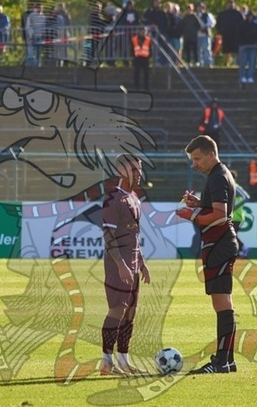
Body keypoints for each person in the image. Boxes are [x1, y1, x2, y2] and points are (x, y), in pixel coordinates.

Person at [176, 135, 238, 374]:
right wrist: (199, 204)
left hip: (219, 243)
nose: (195, 164)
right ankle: (227, 360)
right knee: (222, 302)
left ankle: (222, 361)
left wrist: (191, 215)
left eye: (198, 158)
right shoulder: (220, 174)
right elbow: (216, 208)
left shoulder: (217, 177)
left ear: (211, 154)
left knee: (222, 303)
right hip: (219, 243)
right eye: (193, 160)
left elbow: (220, 216)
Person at [100, 154, 151, 376]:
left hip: (132, 261)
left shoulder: (134, 198)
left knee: (130, 312)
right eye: (134, 169)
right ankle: (106, 362)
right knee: (117, 309)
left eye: (139, 169)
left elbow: (134, 235)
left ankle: (123, 361)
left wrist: (142, 262)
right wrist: (121, 264)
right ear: (121, 171)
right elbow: (108, 236)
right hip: (117, 263)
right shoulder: (113, 199)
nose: (138, 174)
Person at [216, 0, 243, 67]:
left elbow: (242, 24)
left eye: (232, 4)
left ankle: (238, 64)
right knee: (226, 50)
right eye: (229, 4)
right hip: (225, 35)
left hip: (235, 35)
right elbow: (218, 24)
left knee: (236, 50)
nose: (230, 5)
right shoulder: (222, 14)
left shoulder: (238, 14)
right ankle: (226, 63)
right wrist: (219, 32)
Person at [231, 170, 251, 257]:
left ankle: (243, 248)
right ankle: (239, 250)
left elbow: (246, 197)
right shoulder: (229, 187)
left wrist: (235, 207)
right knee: (230, 235)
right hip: (232, 216)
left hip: (237, 217)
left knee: (231, 235)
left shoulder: (235, 187)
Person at [196, 2, 216, 67]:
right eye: (199, 7)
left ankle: (208, 63)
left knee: (206, 49)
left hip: (205, 35)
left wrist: (205, 27)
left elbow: (212, 23)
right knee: (198, 50)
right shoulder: (196, 15)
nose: (200, 8)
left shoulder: (207, 15)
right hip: (197, 35)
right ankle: (200, 63)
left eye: (201, 7)